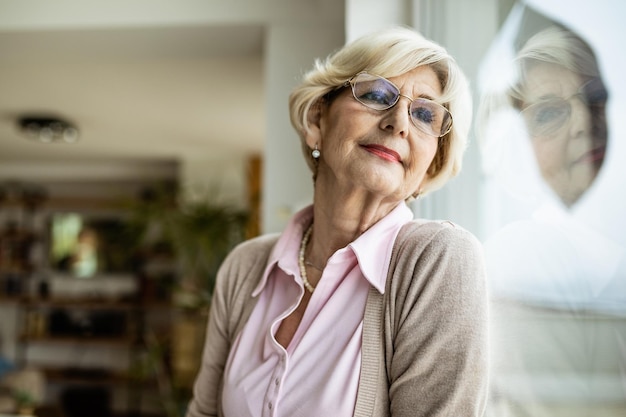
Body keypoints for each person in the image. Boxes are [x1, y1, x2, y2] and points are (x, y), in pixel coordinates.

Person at [186, 26, 488, 417]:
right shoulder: (245, 267)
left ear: (432, 162)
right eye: (377, 94)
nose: (399, 122)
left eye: (425, 114)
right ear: (318, 120)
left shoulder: (438, 261)